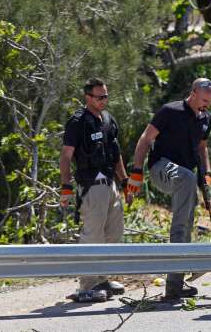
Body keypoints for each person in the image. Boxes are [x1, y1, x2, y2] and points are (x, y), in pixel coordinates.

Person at [127, 78, 211, 301]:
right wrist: (136, 173)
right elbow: (145, 139)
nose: (206, 105)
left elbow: (202, 147)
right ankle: (177, 237)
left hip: (184, 178)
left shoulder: (206, 118)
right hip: (160, 169)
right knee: (186, 180)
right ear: (193, 93)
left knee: (187, 224)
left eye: (210, 102)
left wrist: (207, 172)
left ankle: (175, 285)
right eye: (204, 100)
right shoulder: (170, 110)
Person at [60, 78, 129, 303]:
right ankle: (87, 286)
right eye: (99, 97)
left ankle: (102, 278)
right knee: (92, 234)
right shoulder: (78, 122)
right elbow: (66, 156)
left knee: (113, 233)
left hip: (110, 183)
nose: (104, 101)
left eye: (106, 96)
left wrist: (125, 181)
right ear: (87, 97)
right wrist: (66, 187)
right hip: (91, 183)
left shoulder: (108, 119)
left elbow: (116, 152)